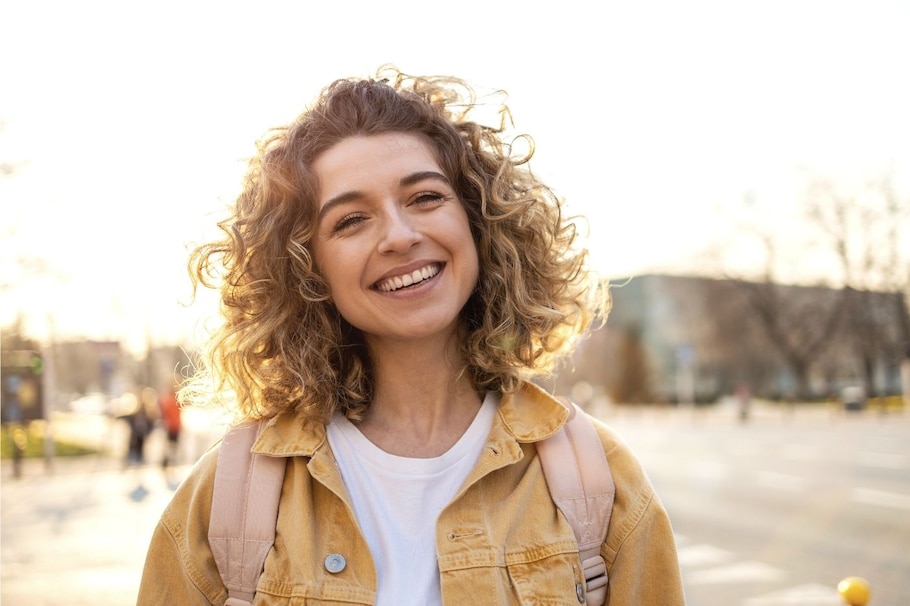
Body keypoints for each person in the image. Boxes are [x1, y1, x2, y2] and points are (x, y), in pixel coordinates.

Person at [138, 66, 685, 605]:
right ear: (307, 271)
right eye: (351, 220)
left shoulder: (598, 481)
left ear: (478, 220)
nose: (400, 236)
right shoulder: (229, 497)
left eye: (425, 198)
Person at [158, 384, 182, 469]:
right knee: (170, 444)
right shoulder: (170, 399)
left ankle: (170, 460)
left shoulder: (175, 399)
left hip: (175, 425)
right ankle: (167, 460)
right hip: (172, 425)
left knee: (173, 445)